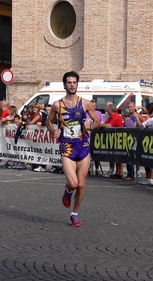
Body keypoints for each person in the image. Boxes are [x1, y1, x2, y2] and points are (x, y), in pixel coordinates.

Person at [46, 71, 100, 227]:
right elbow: (48, 122)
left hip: (83, 146)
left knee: (81, 185)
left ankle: (74, 214)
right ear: (64, 85)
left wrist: (92, 125)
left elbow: (97, 122)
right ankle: (68, 191)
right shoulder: (58, 105)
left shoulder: (85, 104)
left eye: (74, 82)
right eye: (69, 82)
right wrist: (53, 130)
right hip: (67, 147)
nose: (72, 85)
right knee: (74, 183)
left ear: (77, 84)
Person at [100, 103, 124, 179]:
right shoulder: (111, 117)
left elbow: (110, 125)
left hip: (119, 138)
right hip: (114, 139)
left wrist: (101, 125)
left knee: (119, 157)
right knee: (115, 156)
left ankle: (120, 172)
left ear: (111, 110)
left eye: (108, 110)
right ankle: (117, 172)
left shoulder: (116, 117)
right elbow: (106, 123)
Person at [121, 108, 136, 181]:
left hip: (130, 142)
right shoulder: (129, 121)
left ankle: (131, 174)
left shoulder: (127, 122)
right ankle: (130, 174)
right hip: (131, 142)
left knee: (129, 159)